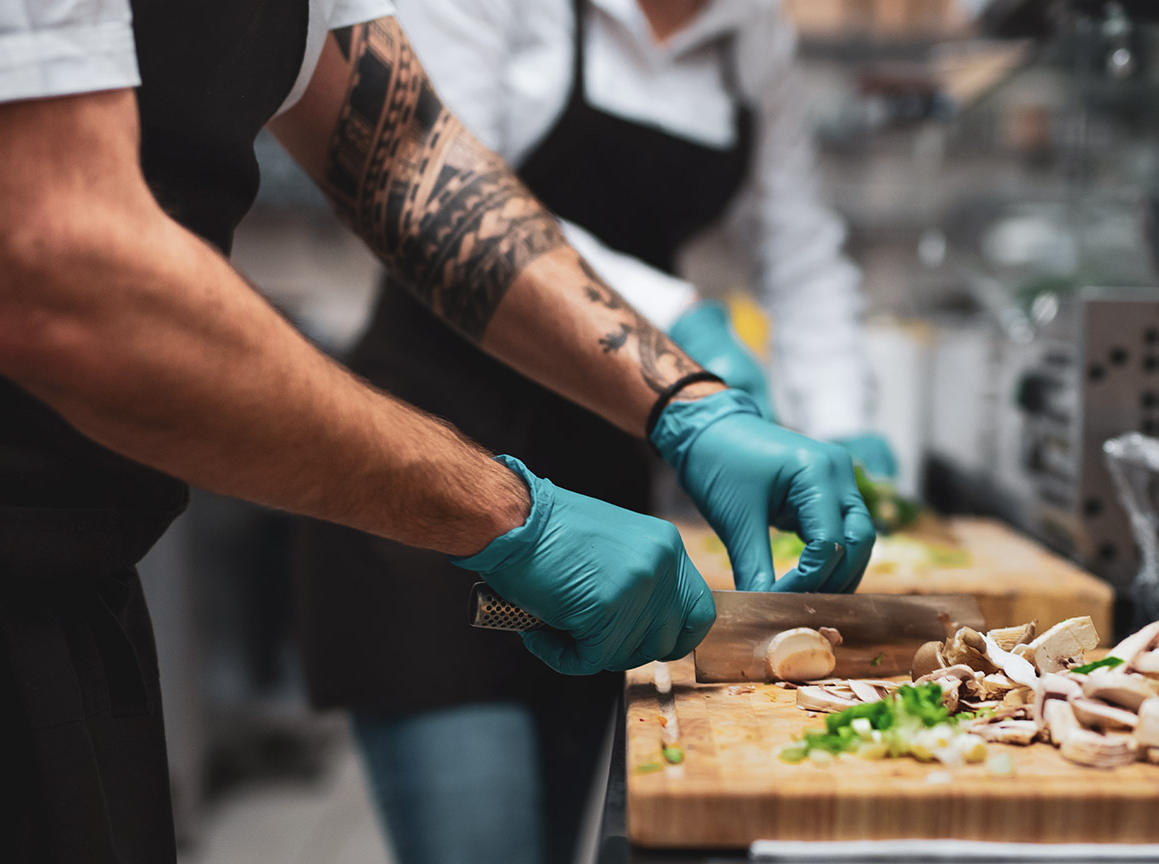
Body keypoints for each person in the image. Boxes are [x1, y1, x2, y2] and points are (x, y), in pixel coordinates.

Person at [0, 2, 875, 861]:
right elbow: (62, 262)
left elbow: (412, 158)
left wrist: (685, 400)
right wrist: (512, 510)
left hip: (75, 577)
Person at [289, 3, 895, 862]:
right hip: (428, 474)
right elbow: (442, 182)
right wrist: (683, 340)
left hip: (609, 510)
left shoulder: (752, 30)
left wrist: (842, 424)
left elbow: (798, 251)